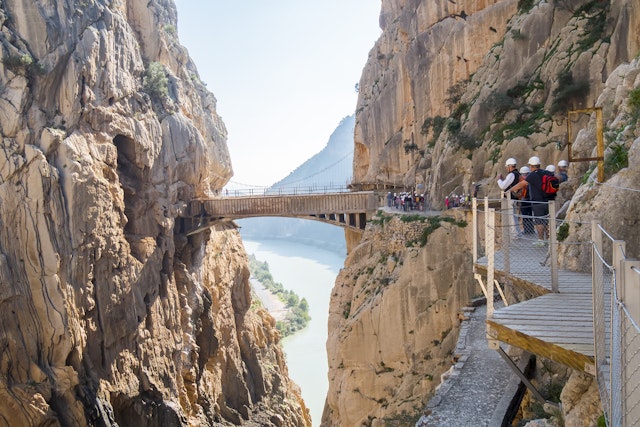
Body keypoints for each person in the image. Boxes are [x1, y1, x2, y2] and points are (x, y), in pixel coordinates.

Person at [510, 156, 549, 246]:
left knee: (539, 222)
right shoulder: (546, 173)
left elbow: (522, 184)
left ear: (531, 166)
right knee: (547, 221)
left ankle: (540, 240)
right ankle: (548, 239)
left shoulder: (532, 175)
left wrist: (510, 190)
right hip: (547, 200)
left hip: (537, 201)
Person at [496, 158, 521, 238]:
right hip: (515, 198)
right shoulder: (517, 173)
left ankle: (514, 234)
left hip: (511, 198)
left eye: (507, 167)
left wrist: (499, 179)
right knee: (514, 216)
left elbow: (503, 186)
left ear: (510, 166)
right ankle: (517, 232)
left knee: (511, 217)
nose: (506, 169)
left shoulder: (511, 174)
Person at [517, 166, 534, 234]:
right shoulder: (531, 181)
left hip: (525, 200)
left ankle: (527, 230)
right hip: (529, 200)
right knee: (529, 215)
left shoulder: (523, 182)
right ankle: (530, 229)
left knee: (526, 216)